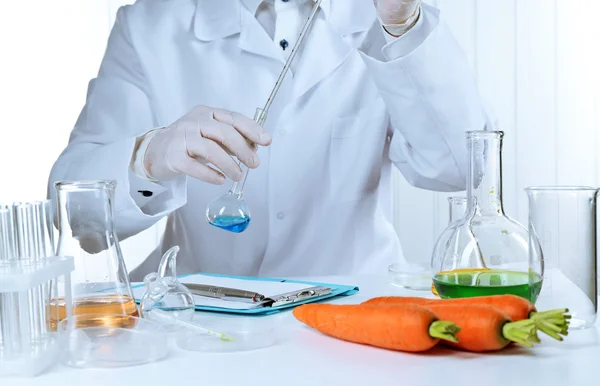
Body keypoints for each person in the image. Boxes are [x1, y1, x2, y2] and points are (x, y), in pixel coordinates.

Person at [48, 0, 496, 281]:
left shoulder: (382, 13)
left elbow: (460, 168)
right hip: (203, 319)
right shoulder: (151, 25)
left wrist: (403, 25)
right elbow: (71, 215)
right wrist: (149, 156)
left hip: (358, 312)